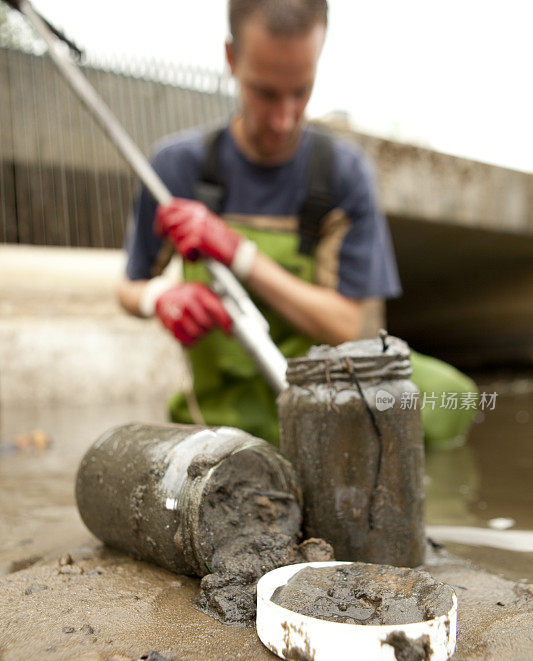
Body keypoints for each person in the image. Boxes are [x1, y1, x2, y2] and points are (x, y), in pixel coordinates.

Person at [119, 0, 476, 447]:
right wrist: (160, 297)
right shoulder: (177, 169)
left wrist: (237, 253)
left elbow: (355, 327)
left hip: (330, 401)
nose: (283, 118)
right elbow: (129, 286)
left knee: (457, 397)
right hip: (226, 419)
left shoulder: (344, 174)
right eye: (265, 92)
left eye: (301, 91)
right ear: (231, 59)